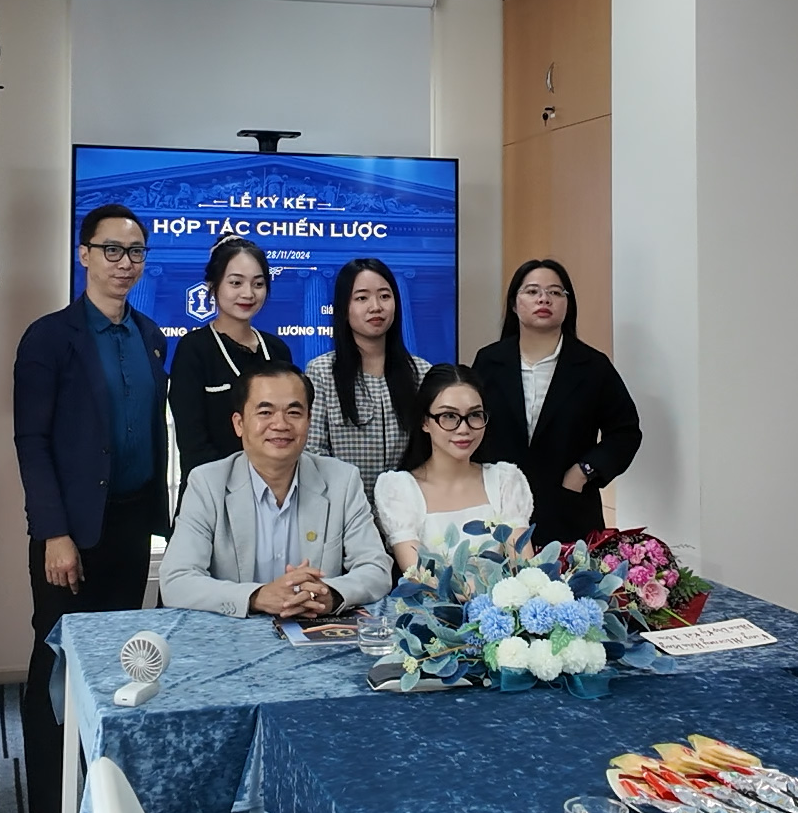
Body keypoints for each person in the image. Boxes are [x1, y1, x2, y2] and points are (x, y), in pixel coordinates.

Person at [13, 204, 169, 813]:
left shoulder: (151, 334)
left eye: (135, 252)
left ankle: (103, 789)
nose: (124, 263)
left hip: (130, 524)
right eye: (112, 250)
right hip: (71, 532)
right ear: (84, 254)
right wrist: (54, 533)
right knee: (56, 664)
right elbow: (32, 441)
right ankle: (54, 805)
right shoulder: (50, 338)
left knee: (116, 663)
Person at [160, 361, 392, 616]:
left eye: (294, 412)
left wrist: (330, 594)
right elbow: (176, 581)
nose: (280, 424)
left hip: (314, 626)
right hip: (235, 633)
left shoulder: (342, 480)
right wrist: (257, 596)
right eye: (265, 412)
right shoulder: (207, 483)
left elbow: (376, 569)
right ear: (239, 423)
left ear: (309, 421)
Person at [472, 258, 641, 548]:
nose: (544, 299)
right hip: (499, 507)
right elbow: (473, 424)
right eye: (532, 291)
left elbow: (625, 432)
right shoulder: (489, 361)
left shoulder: (592, 366)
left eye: (555, 292)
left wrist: (584, 471)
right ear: (514, 304)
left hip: (569, 509)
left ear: (567, 304)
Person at [374, 363, 534, 577]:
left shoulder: (505, 480)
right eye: (449, 416)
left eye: (474, 415)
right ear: (424, 422)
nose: (464, 429)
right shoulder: (400, 489)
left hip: (505, 598)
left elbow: (525, 569)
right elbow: (420, 577)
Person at [168, 236, 292, 497]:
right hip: (211, 495)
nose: (248, 293)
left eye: (258, 284)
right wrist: (241, 490)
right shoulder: (194, 349)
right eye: (236, 283)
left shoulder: (277, 350)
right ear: (212, 285)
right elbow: (193, 444)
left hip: (273, 494)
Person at [305, 258, 431, 502]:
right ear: (344, 308)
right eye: (362, 298)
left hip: (411, 508)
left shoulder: (422, 373)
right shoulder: (321, 372)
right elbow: (314, 452)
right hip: (343, 508)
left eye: (384, 296)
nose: (376, 307)